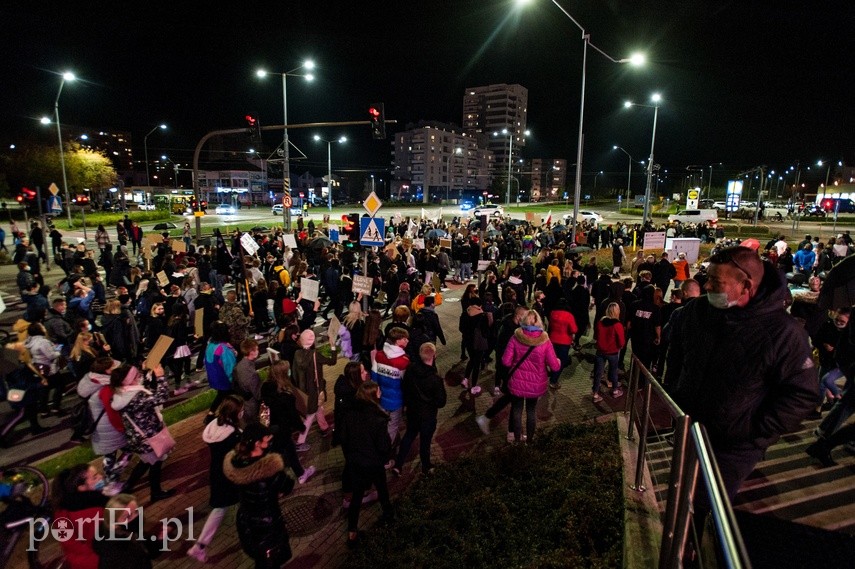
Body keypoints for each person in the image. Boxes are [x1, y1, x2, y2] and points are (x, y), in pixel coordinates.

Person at [665, 246, 816, 504]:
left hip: (734, 448)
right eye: (708, 277)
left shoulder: (784, 334)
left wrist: (751, 431)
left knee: (705, 502)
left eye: (716, 281)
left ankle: (693, 542)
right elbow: (676, 352)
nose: (707, 286)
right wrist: (675, 394)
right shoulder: (696, 312)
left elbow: (802, 394)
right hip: (689, 427)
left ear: (746, 286)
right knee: (679, 491)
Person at [222, 422, 294, 568]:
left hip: (247, 523)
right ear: (257, 443)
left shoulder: (237, 464)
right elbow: (288, 485)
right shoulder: (270, 472)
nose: (270, 439)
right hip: (268, 528)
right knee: (270, 562)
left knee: (261, 560)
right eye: (266, 438)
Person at [186, 395, 244, 563]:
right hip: (232, 473)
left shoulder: (213, 427)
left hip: (217, 473)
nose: (243, 413)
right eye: (240, 411)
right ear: (235, 414)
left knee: (219, 509)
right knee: (244, 503)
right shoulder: (233, 435)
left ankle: (200, 545)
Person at [338, 381, 394, 549]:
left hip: (356, 462)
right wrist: (384, 457)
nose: (381, 393)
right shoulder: (378, 419)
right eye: (378, 391)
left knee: (356, 497)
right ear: (372, 395)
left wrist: (351, 457)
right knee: (382, 489)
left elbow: (344, 439)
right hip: (373, 463)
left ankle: (352, 532)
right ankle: (389, 516)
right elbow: (384, 446)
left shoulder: (349, 414)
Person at [110, 363, 177, 502]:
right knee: (156, 463)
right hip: (149, 436)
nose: (139, 376)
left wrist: (146, 371)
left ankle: (128, 486)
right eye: (136, 375)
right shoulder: (135, 397)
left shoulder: (123, 392)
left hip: (138, 436)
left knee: (145, 462)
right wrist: (160, 377)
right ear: (127, 380)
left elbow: (143, 389)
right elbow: (161, 397)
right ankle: (156, 492)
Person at [501, 310, 561, 443]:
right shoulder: (544, 340)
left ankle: (517, 440)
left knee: (516, 410)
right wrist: (558, 361)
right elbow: (555, 366)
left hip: (516, 382)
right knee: (531, 411)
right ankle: (530, 441)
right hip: (535, 384)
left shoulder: (515, 337)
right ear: (538, 322)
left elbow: (505, 361)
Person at [391, 342, 447, 476]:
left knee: (409, 436)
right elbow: (441, 402)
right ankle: (426, 466)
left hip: (413, 412)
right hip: (427, 416)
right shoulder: (435, 379)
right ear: (434, 356)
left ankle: (398, 465)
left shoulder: (410, 370)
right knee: (425, 442)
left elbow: (404, 387)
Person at [77, 357, 128, 496]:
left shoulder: (91, 381)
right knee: (129, 450)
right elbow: (112, 412)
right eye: (113, 367)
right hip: (109, 428)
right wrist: (121, 428)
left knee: (109, 456)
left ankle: (109, 482)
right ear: (107, 370)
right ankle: (112, 482)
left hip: (99, 428)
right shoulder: (105, 388)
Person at [260, 360, 316, 483]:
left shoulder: (265, 387)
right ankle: (287, 477)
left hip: (271, 427)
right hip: (282, 428)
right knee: (282, 452)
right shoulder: (286, 395)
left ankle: (299, 473)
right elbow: (293, 415)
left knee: (285, 450)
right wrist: (301, 426)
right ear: (284, 374)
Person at [53, 463, 109, 569]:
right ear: (82, 487)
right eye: (95, 477)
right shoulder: (98, 509)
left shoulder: (61, 509)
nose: (101, 477)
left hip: (77, 562)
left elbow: (68, 542)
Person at [292, 329, 337, 451]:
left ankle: (324, 428)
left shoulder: (297, 354)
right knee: (310, 416)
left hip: (303, 391)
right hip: (314, 391)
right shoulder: (315, 355)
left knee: (318, 409)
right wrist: (332, 347)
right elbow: (332, 361)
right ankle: (300, 442)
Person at [92, 493, 163, 569]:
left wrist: (161, 537)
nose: (136, 517)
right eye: (128, 517)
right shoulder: (118, 556)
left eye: (136, 511)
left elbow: (151, 548)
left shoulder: (127, 530)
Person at [371, 326, 411, 444]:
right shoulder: (403, 361)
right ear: (397, 341)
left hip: (382, 398)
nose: (407, 341)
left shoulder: (379, 355)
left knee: (382, 424)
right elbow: (406, 383)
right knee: (392, 427)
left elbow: (374, 377)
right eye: (405, 339)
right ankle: (386, 452)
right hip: (397, 400)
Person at [203, 321, 237, 424]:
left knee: (221, 395)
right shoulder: (223, 348)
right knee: (232, 399)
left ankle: (210, 414)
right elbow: (230, 367)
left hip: (215, 377)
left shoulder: (210, 345)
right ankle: (227, 418)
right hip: (225, 379)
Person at [592, 302, 626, 401]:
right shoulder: (617, 325)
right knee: (613, 372)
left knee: (598, 373)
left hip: (600, 351)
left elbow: (597, 335)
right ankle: (615, 390)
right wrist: (619, 346)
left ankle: (595, 393)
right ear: (617, 312)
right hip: (612, 352)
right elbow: (621, 341)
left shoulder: (601, 322)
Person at [546, 297, 577, 389]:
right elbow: (574, 329)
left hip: (552, 340)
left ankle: (550, 372)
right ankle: (553, 380)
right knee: (561, 361)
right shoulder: (569, 315)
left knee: (553, 358)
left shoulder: (552, 313)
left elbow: (550, 326)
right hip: (564, 342)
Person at [234, 338, 262, 422]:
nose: (258, 351)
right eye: (256, 349)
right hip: (252, 407)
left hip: (244, 402)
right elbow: (258, 395)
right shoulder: (252, 374)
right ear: (251, 352)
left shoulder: (239, 365)